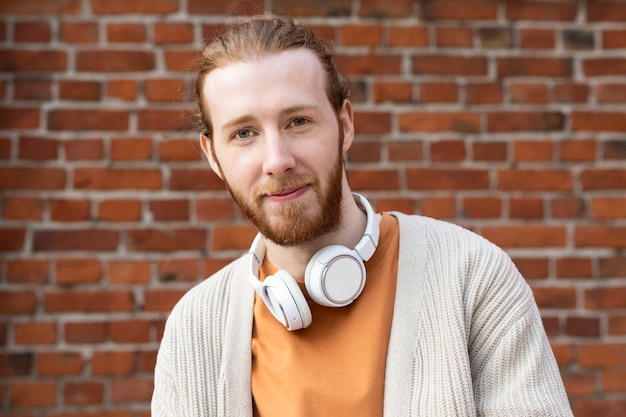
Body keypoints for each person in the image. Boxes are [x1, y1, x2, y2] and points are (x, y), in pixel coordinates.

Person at [151, 15, 573, 417]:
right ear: (213, 155)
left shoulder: (472, 278)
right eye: (244, 133)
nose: (277, 160)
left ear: (344, 125)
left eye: (298, 121)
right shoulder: (194, 332)